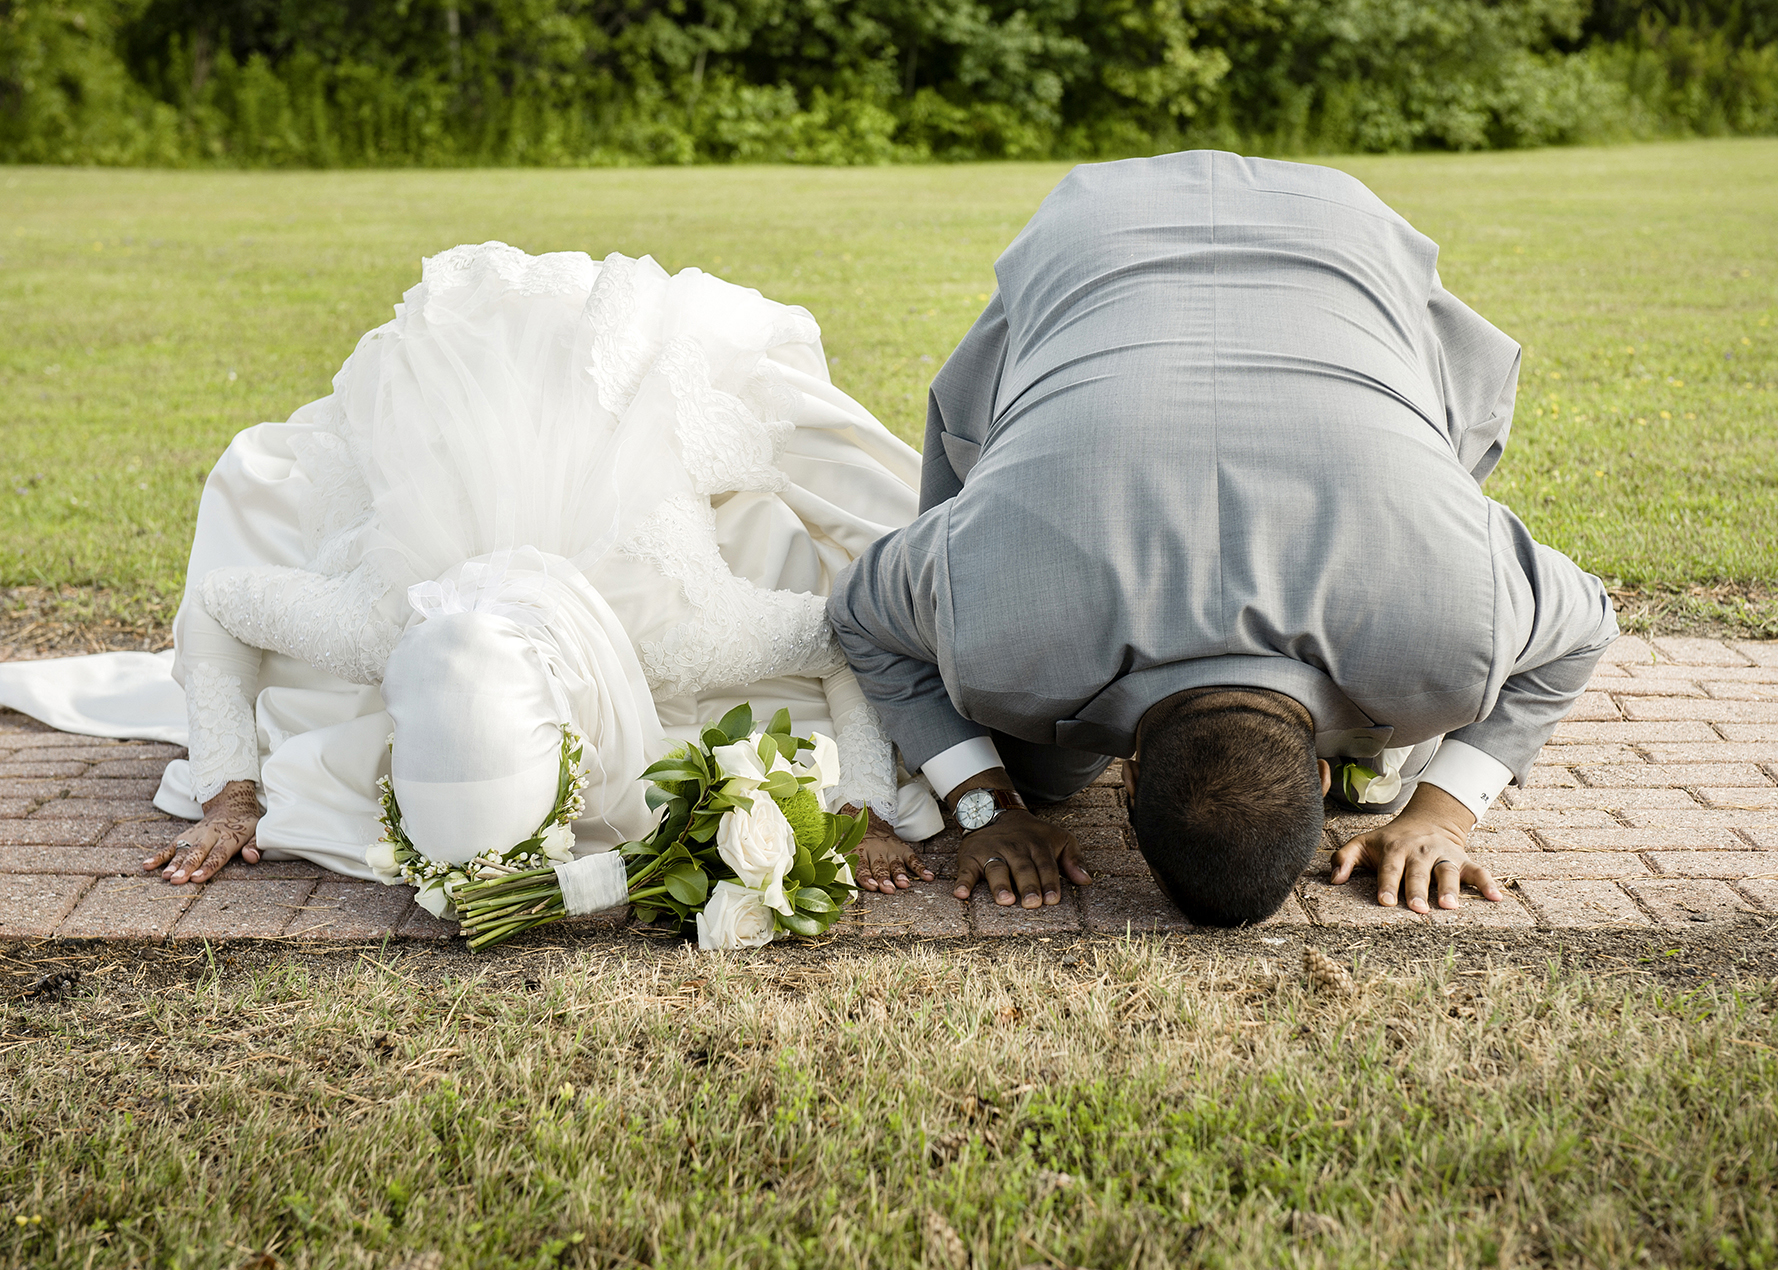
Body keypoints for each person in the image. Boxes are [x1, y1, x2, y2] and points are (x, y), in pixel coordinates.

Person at [0, 244, 943, 899]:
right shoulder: (384, 623)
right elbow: (216, 604)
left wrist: (863, 803)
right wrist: (229, 790)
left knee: (752, 448)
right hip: (459, 436)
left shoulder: (676, 631)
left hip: (613, 401)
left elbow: (849, 633)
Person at [826, 150, 1618, 925]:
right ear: (1133, 784)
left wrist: (988, 800)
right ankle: (1375, 759)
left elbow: (864, 613)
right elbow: (863, 610)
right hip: (1211, 234)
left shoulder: (1446, 636)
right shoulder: (1003, 637)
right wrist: (985, 806)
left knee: (1038, 765)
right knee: (1038, 758)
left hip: (1211, 229)